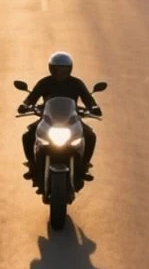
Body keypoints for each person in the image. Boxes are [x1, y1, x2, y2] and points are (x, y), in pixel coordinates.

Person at [19, 51, 101, 187]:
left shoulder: (76, 83)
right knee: (28, 135)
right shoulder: (45, 82)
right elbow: (31, 97)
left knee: (90, 135)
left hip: (72, 119)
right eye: (57, 68)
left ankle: (84, 167)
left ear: (70, 68)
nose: (60, 72)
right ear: (51, 68)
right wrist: (24, 105)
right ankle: (32, 166)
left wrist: (94, 107)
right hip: (48, 119)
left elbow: (88, 99)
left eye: (64, 69)